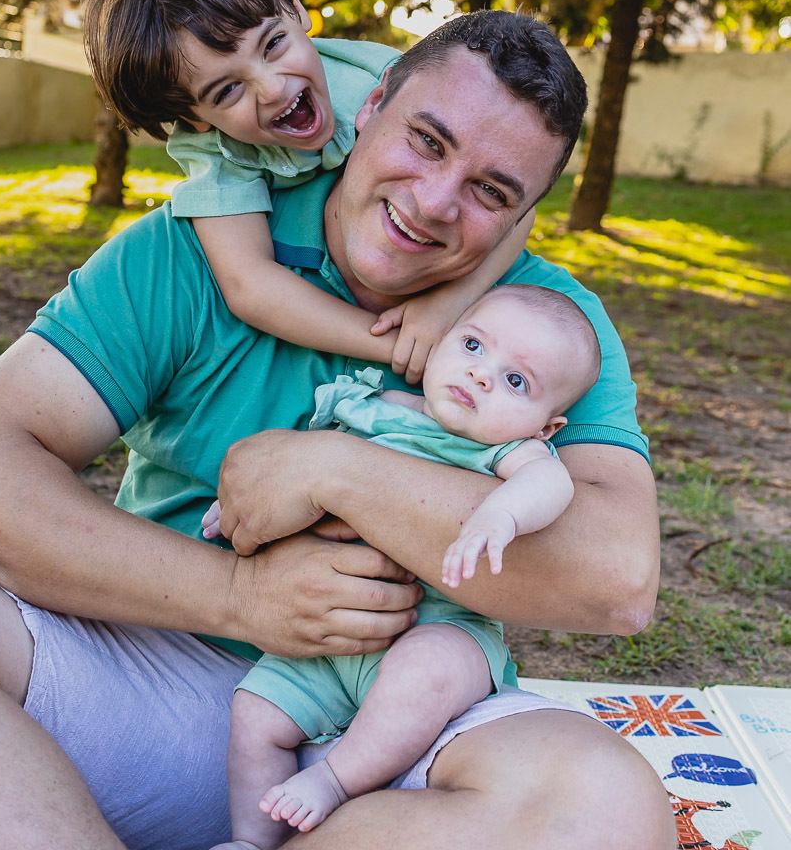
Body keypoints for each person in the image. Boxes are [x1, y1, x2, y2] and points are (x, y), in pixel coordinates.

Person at [0, 8, 675, 850]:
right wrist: (242, 596)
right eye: (427, 142)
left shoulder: (545, 332)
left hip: (402, 710)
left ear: (523, 217)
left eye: (491, 192)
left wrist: (335, 470)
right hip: (160, 677)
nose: (434, 203)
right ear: (373, 104)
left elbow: (617, 579)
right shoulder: (201, 250)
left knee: (603, 808)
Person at [203, 283, 597, 850]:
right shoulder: (369, 408)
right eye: (472, 346)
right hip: (328, 637)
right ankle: (252, 839)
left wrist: (501, 515)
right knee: (255, 713)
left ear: (544, 427)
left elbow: (550, 482)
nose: (482, 375)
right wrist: (240, 503)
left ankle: (334, 780)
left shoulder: (503, 451)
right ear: (440, 344)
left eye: (517, 381)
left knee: (428, 669)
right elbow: (286, 475)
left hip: (441, 627)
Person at [83, 0, 532, 382]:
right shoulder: (213, 148)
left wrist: (448, 303)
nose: (273, 88)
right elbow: (250, 285)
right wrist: (398, 344)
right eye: (228, 90)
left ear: (297, 11)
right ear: (195, 118)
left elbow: (517, 205)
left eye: (273, 43)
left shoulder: (385, 84)